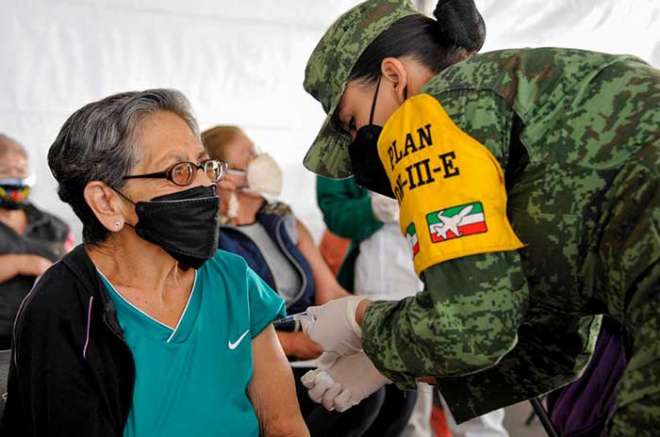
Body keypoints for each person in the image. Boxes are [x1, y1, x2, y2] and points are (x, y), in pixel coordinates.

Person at [295, 0, 659, 435]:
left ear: (394, 76)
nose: (361, 143)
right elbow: (552, 339)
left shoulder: (428, 114)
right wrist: (389, 363)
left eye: (353, 121)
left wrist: (360, 319)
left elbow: (468, 324)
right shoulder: (510, 91)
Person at [0, 90, 309, 437]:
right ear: (107, 202)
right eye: (179, 172)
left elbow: (284, 424)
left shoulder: (234, 279)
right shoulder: (63, 308)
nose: (208, 183)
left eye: (205, 165)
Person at [202, 125, 388, 437]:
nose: (261, 160)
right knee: (359, 401)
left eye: (257, 150)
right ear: (221, 175)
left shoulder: (284, 222)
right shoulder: (207, 240)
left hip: (310, 348)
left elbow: (332, 293)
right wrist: (294, 344)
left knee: (395, 385)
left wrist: (370, 325)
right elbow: (216, 327)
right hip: (255, 363)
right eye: (248, 155)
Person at [317, 176, 508, 437]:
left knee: (474, 383)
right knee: (408, 407)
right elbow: (335, 211)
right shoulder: (344, 139)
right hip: (385, 275)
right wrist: (371, 209)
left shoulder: (454, 137)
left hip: (455, 261)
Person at [0, 134, 72, 350]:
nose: (15, 179)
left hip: (45, 336)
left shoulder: (55, 226)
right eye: (4, 172)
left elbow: (75, 275)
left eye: (20, 171)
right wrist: (22, 263)